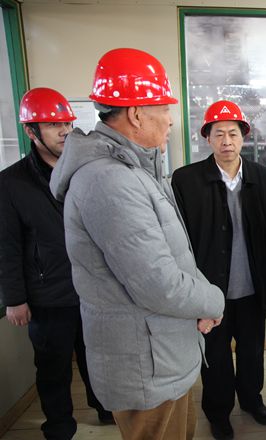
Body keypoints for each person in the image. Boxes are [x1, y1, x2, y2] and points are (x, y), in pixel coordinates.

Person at [49, 48, 225, 440]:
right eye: (164, 108)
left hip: (161, 352)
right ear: (136, 114)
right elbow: (157, 283)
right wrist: (214, 300)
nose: (170, 118)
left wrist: (200, 301)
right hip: (146, 366)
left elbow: (174, 256)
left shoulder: (135, 170)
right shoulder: (109, 180)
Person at [171, 100, 266, 440]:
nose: (226, 141)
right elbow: (179, 240)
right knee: (216, 356)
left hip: (254, 288)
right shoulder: (186, 180)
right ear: (207, 138)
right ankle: (218, 412)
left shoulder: (264, 178)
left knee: (252, 351)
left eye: (233, 133)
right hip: (210, 292)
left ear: (243, 138)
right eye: (219, 133)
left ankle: (252, 400)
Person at [0, 87, 113, 439]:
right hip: (48, 295)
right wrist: (14, 299)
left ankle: (106, 409)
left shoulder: (86, 170)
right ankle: (60, 426)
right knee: (53, 368)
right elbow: (7, 246)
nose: (65, 131)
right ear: (31, 131)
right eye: (53, 125)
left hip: (94, 289)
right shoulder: (11, 183)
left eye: (66, 123)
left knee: (98, 359)